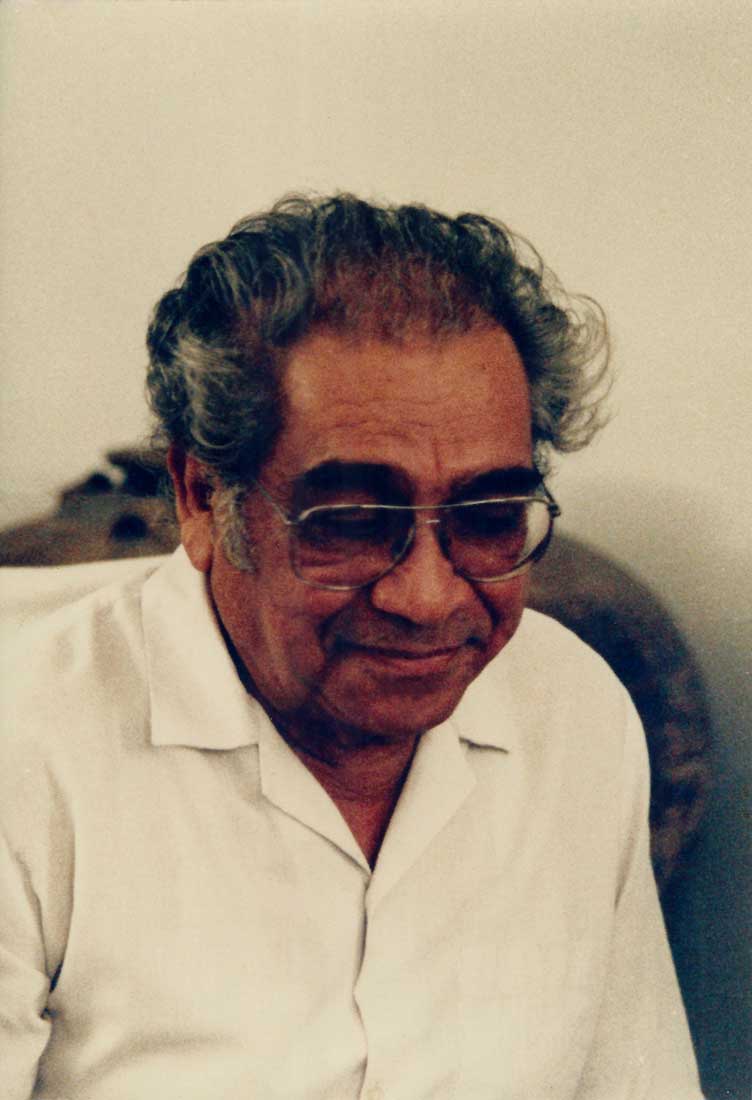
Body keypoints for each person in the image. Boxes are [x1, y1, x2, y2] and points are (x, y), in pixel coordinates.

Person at [1, 194, 703, 1099]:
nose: (427, 596)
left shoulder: (573, 709)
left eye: (488, 516)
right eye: (351, 521)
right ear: (201, 497)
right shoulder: (29, 753)